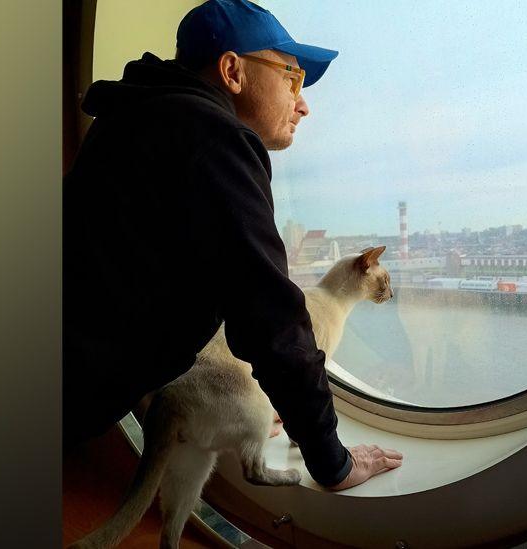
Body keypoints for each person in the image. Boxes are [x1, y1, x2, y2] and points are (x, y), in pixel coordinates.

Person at [63, 0, 401, 490]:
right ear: (232, 71)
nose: (302, 103)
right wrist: (334, 462)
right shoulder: (217, 139)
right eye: (292, 77)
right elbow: (272, 324)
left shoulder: (129, 119)